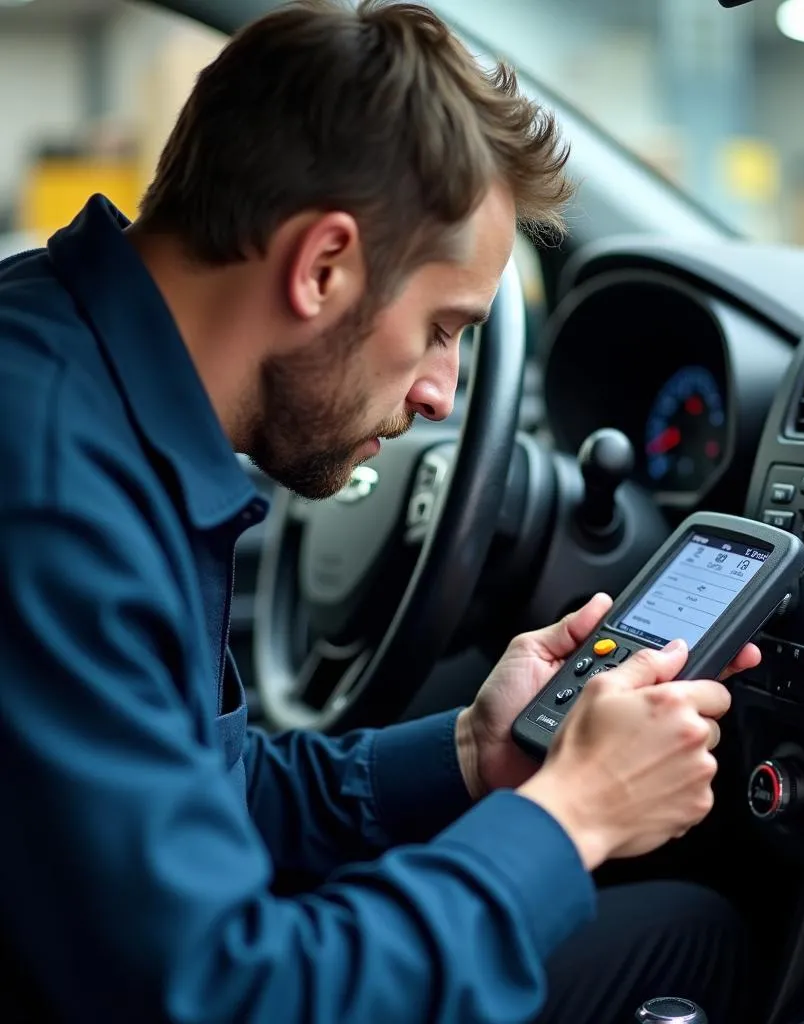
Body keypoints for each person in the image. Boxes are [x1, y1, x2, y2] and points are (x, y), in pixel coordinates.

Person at [0, 2, 761, 1021]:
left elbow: (198, 798)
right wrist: (573, 815)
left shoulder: (79, 377)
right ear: (322, 266)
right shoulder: (54, 492)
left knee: (681, 925)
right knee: (695, 944)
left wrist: (467, 755)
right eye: (443, 328)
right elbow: (231, 994)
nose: (443, 393)